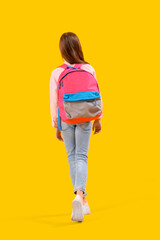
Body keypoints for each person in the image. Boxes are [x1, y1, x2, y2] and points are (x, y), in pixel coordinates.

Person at [50, 32, 103, 222]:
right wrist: (98, 118)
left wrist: (55, 125)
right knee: (82, 156)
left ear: (62, 50)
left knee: (72, 156)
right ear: (79, 47)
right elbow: (97, 95)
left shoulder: (56, 72)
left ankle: (79, 197)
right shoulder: (89, 68)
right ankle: (81, 197)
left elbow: (54, 101)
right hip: (86, 117)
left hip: (66, 118)